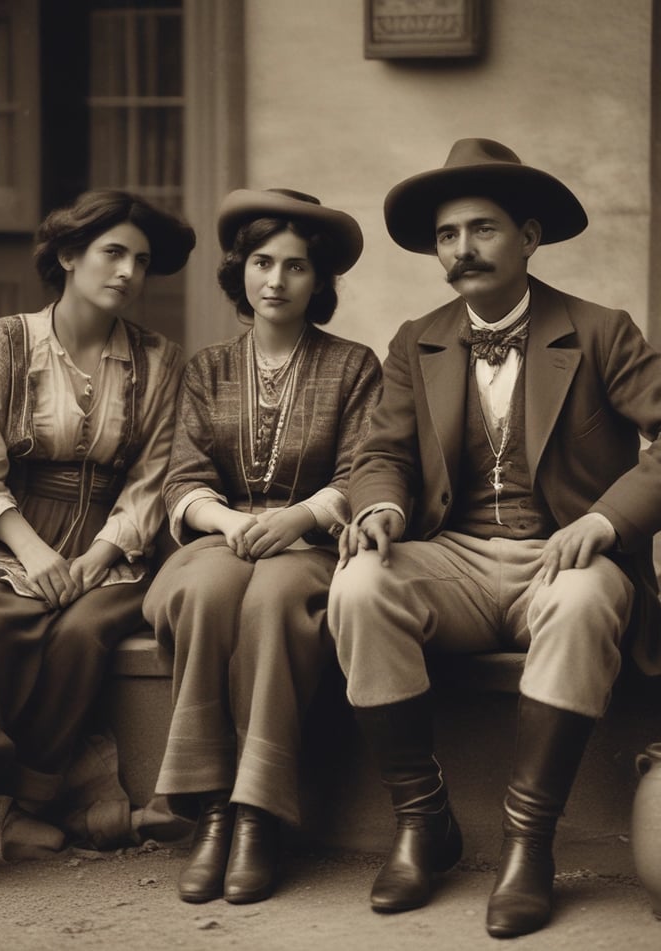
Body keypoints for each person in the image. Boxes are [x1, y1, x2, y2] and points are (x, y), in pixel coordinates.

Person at [328, 138, 661, 938]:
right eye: (448, 235)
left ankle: (528, 844)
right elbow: (380, 453)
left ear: (530, 238)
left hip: (566, 557)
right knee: (359, 584)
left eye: (482, 229)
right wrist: (380, 509)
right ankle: (422, 821)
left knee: (583, 601)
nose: (462, 250)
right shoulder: (419, 338)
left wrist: (605, 518)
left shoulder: (600, 330)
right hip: (458, 560)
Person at [0, 189, 195, 903]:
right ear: (67, 256)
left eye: (141, 260)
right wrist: (32, 550)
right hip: (7, 529)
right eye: (112, 252)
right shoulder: (3, 342)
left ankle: (22, 803)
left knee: (84, 628)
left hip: (111, 542)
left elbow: (157, 476)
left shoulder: (157, 362)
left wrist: (101, 554)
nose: (127, 271)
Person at [142, 188, 382, 905]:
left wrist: (302, 517)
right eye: (261, 262)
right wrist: (225, 522)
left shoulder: (354, 365)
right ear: (239, 272)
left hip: (308, 541)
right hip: (223, 537)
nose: (275, 280)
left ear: (320, 281)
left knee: (275, 601)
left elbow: (363, 468)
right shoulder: (207, 368)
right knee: (205, 591)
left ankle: (257, 814)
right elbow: (183, 474)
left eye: (296, 267)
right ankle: (210, 806)